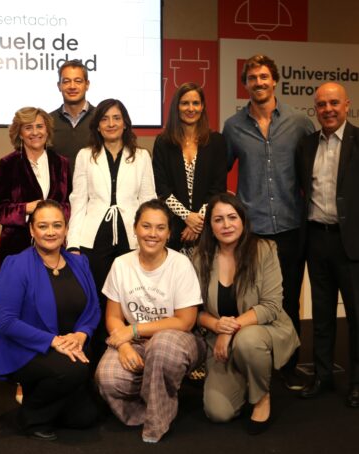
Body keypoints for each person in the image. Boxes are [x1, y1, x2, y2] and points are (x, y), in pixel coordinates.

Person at [222, 55, 315, 390]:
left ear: (274, 80)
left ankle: (287, 367)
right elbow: (221, 173)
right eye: (252, 78)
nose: (258, 83)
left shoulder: (299, 122)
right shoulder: (233, 127)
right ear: (245, 84)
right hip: (254, 231)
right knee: (251, 300)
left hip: (291, 226)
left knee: (289, 299)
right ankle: (254, 363)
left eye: (264, 77)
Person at [95, 199, 205, 443]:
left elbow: (186, 321)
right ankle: (153, 405)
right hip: (135, 343)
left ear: (168, 233)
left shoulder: (180, 264)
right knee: (107, 378)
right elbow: (113, 316)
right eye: (146, 226)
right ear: (135, 228)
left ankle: (157, 422)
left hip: (177, 342)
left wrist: (133, 328)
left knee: (160, 347)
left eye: (160, 228)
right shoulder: (121, 264)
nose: (152, 234)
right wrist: (123, 346)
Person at [0, 200, 100, 441]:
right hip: (27, 348)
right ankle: (30, 417)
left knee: (86, 417)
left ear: (66, 229)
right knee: (75, 370)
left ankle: (39, 392)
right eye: (43, 226)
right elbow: (7, 322)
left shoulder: (80, 263)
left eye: (57, 225)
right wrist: (54, 341)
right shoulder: (16, 265)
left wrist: (81, 334)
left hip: (71, 345)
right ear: (32, 230)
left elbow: (93, 308)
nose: (51, 232)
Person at [193, 193, 299, 434]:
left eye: (232, 217)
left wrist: (229, 331)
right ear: (210, 225)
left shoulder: (264, 249)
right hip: (220, 341)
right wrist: (218, 327)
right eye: (218, 219)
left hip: (263, 331)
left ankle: (261, 398)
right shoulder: (201, 257)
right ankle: (246, 375)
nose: (226, 225)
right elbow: (195, 311)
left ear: (243, 220)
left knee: (247, 341)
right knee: (218, 413)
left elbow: (271, 305)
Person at [67, 98, 156, 365]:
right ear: (97, 125)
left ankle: (132, 355)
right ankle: (94, 361)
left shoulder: (141, 156)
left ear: (125, 122)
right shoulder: (86, 155)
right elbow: (78, 200)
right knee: (96, 300)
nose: (111, 124)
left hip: (132, 237)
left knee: (131, 299)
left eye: (116, 118)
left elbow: (148, 198)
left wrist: (150, 238)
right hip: (94, 238)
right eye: (105, 119)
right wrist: (73, 243)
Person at [296, 82, 359, 408]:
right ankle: (322, 376)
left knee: (357, 316)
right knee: (321, 315)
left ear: (347, 105)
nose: (328, 109)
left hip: (352, 244)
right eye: (321, 105)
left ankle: (357, 382)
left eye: (334, 103)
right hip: (316, 239)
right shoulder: (306, 145)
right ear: (315, 109)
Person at [153, 82, 227, 256]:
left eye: (196, 103)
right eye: (185, 103)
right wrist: (186, 216)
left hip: (207, 226)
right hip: (173, 227)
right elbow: (161, 187)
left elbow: (218, 187)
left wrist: (198, 221)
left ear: (202, 107)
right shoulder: (163, 142)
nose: (190, 108)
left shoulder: (216, 141)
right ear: (176, 107)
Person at [0, 107, 71, 270]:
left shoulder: (61, 163)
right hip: (17, 248)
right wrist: (26, 208)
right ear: (20, 133)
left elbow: (69, 203)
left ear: (47, 130)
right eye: (28, 127)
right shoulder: (8, 164)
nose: (35, 132)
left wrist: (51, 215)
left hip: (55, 246)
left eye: (40, 126)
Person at [50, 60, 95, 172]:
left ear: (87, 84)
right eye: (66, 81)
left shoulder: (100, 119)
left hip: (93, 189)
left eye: (78, 81)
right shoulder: (47, 121)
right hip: (58, 189)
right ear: (59, 86)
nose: (72, 86)